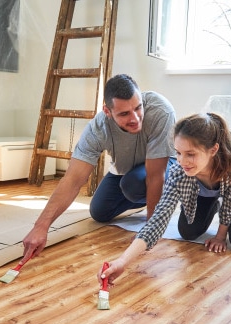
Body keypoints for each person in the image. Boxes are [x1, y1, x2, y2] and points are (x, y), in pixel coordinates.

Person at [98, 112, 231, 286]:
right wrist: (122, 261)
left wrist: (220, 235)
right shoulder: (180, 171)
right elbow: (159, 219)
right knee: (188, 232)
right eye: (178, 153)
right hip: (205, 187)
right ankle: (213, 203)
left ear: (213, 150)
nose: (182, 161)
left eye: (190, 154)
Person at [22, 74, 176, 263]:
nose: (135, 118)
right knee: (99, 212)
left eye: (138, 108)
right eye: (124, 114)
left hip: (162, 168)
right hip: (125, 170)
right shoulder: (98, 129)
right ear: (107, 112)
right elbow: (72, 180)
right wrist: (41, 226)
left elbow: (155, 176)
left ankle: (166, 198)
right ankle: (148, 198)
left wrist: (151, 231)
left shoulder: (161, 111)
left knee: (134, 184)